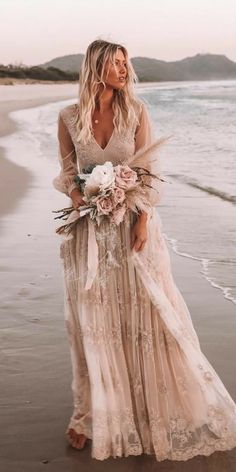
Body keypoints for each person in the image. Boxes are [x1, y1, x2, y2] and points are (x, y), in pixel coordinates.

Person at [53, 39, 236, 461]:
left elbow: (149, 172)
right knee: (96, 323)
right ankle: (90, 415)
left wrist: (141, 217)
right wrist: (89, 202)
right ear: (97, 66)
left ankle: (151, 412)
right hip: (90, 235)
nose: (123, 69)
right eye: (115, 63)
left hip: (134, 228)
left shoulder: (136, 112)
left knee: (147, 314)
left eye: (125, 62)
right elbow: (67, 175)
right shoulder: (68, 116)